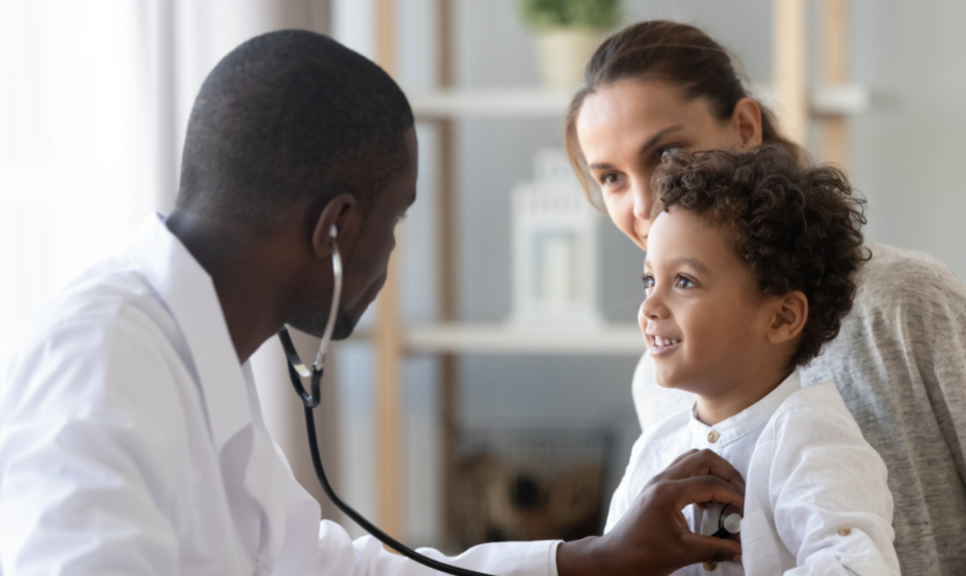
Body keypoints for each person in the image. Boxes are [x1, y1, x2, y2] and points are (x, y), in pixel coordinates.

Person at [0, 30, 745, 576]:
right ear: (335, 228)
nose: (390, 252)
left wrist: (596, 558)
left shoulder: (193, 355)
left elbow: (330, 570)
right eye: (394, 221)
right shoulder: (95, 362)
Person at [565, 20, 966, 576]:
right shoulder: (663, 384)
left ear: (744, 126)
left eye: (666, 155)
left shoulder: (910, 306)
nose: (644, 203)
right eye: (611, 178)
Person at [606, 146, 899, 575]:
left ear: (781, 317)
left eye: (684, 281)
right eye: (650, 279)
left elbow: (855, 569)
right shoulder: (655, 449)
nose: (650, 305)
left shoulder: (812, 439)